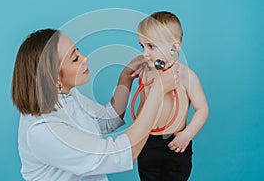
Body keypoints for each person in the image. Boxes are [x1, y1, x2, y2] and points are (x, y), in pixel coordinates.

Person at [11, 28, 179, 181]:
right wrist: (156, 94)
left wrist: (125, 78)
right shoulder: (43, 131)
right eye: (75, 59)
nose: (85, 58)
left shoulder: (67, 96)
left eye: (78, 51)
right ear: (56, 79)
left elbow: (108, 119)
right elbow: (119, 155)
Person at [136, 11, 209, 181]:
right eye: (142, 46)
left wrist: (187, 134)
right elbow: (142, 105)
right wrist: (139, 132)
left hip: (177, 143)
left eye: (151, 46)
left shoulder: (186, 75)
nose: (145, 53)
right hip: (149, 142)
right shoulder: (147, 74)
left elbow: (202, 109)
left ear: (174, 47)